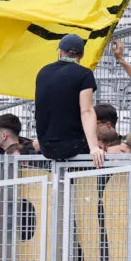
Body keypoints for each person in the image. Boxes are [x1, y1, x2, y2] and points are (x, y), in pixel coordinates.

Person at [34, 34, 104, 166]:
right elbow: (87, 111)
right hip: (72, 147)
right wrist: (94, 147)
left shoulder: (43, 72)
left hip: (46, 148)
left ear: (60, 52)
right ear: (81, 56)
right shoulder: (84, 74)